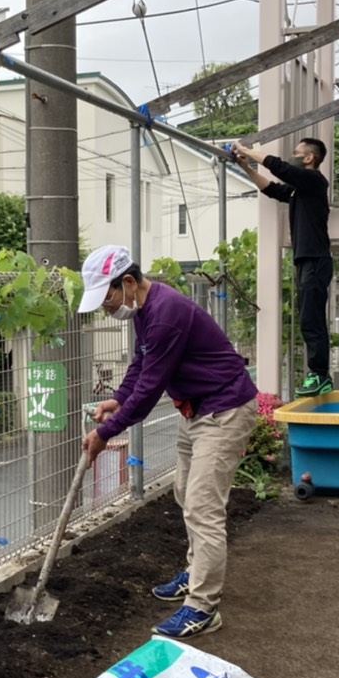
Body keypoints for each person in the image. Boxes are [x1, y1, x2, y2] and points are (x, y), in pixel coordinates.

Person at [78, 245, 258, 638]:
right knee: (184, 493)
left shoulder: (165, 315)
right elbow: (140, 366)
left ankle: (202, 607)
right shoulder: (146, 309)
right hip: (196, 410)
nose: (106, 308)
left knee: (203, 507)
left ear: (127, 282)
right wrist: (117, 398)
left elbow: (148, 393)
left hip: (224, 410)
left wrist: (106, 432)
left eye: (106, 298)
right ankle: (195, 571)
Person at [230, 138, 333, 397]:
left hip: (316, 259)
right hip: (307, 260)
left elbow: (280, 168)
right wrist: (246, 167)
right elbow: (273, 189)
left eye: (297, 153)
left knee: (312, 319)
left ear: (309, 158)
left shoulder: (315, 181)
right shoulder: (300, 190)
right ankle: (320, 376)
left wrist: (243, 149)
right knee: (309, 318)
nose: (293, 156)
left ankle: (319, 375)